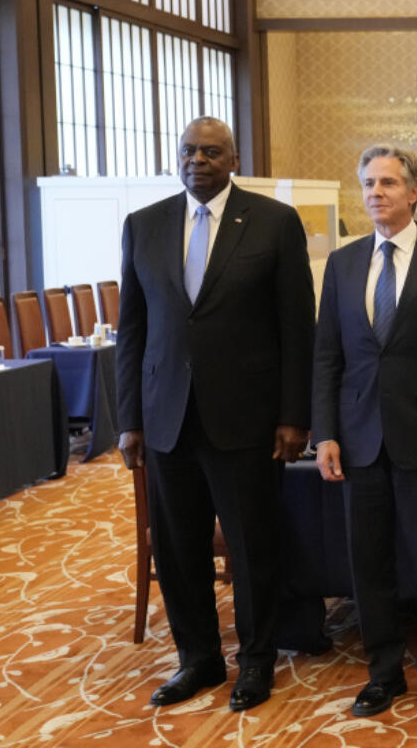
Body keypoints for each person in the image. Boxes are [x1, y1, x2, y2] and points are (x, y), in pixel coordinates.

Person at [117, 116, 315, 711]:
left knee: (253, 545)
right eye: (187, 151)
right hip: (166, 419)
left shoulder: (275, 222)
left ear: (233, 159)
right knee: (178, 548)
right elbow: (133, 329)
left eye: (210, 152)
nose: (196, 160)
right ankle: (198, 659)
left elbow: (294, 327)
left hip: (249, 419)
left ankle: (256, 661)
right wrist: (128, 418)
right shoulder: (143, 226)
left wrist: (294, 414)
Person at [312, 144, 417, 719]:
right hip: (357, 439)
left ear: (413, 192)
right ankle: (382, 671)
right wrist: (325, 432)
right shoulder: (344, 262)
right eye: (367, 183)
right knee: (369, 563)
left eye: (387, 182)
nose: (375, 193)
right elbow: (327, 356)